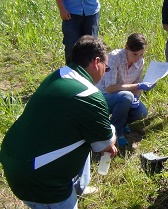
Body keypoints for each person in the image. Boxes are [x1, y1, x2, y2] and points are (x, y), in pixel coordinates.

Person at [0, 35, 118, 208]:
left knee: (84, 135)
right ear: (96, 62)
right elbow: (105, 145)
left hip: (12, 157)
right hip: (40, 180)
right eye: (105, 68)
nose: (104, 73)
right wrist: (111, 130)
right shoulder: (90, 95)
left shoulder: (59, 74)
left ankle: (78, 187)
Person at [96, 33, 156, 146]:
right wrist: (138, 86)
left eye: (141, 55)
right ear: (126, 48)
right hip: (104, 97)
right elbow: (110, 88)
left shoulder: (140, 61)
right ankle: (116, 133)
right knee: (126, 96)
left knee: (142, 112)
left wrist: (136, 97)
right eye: (135, 54)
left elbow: (136, 82)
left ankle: (117, 123)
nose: (138, 58)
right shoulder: (114, 57)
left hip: (124, 97)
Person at [53, 0, 115, 65]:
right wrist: (61, 9)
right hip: (70, 13)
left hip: (91, 12)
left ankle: (89, 74)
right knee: (71, 46)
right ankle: (71, 73)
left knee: (91, 47)